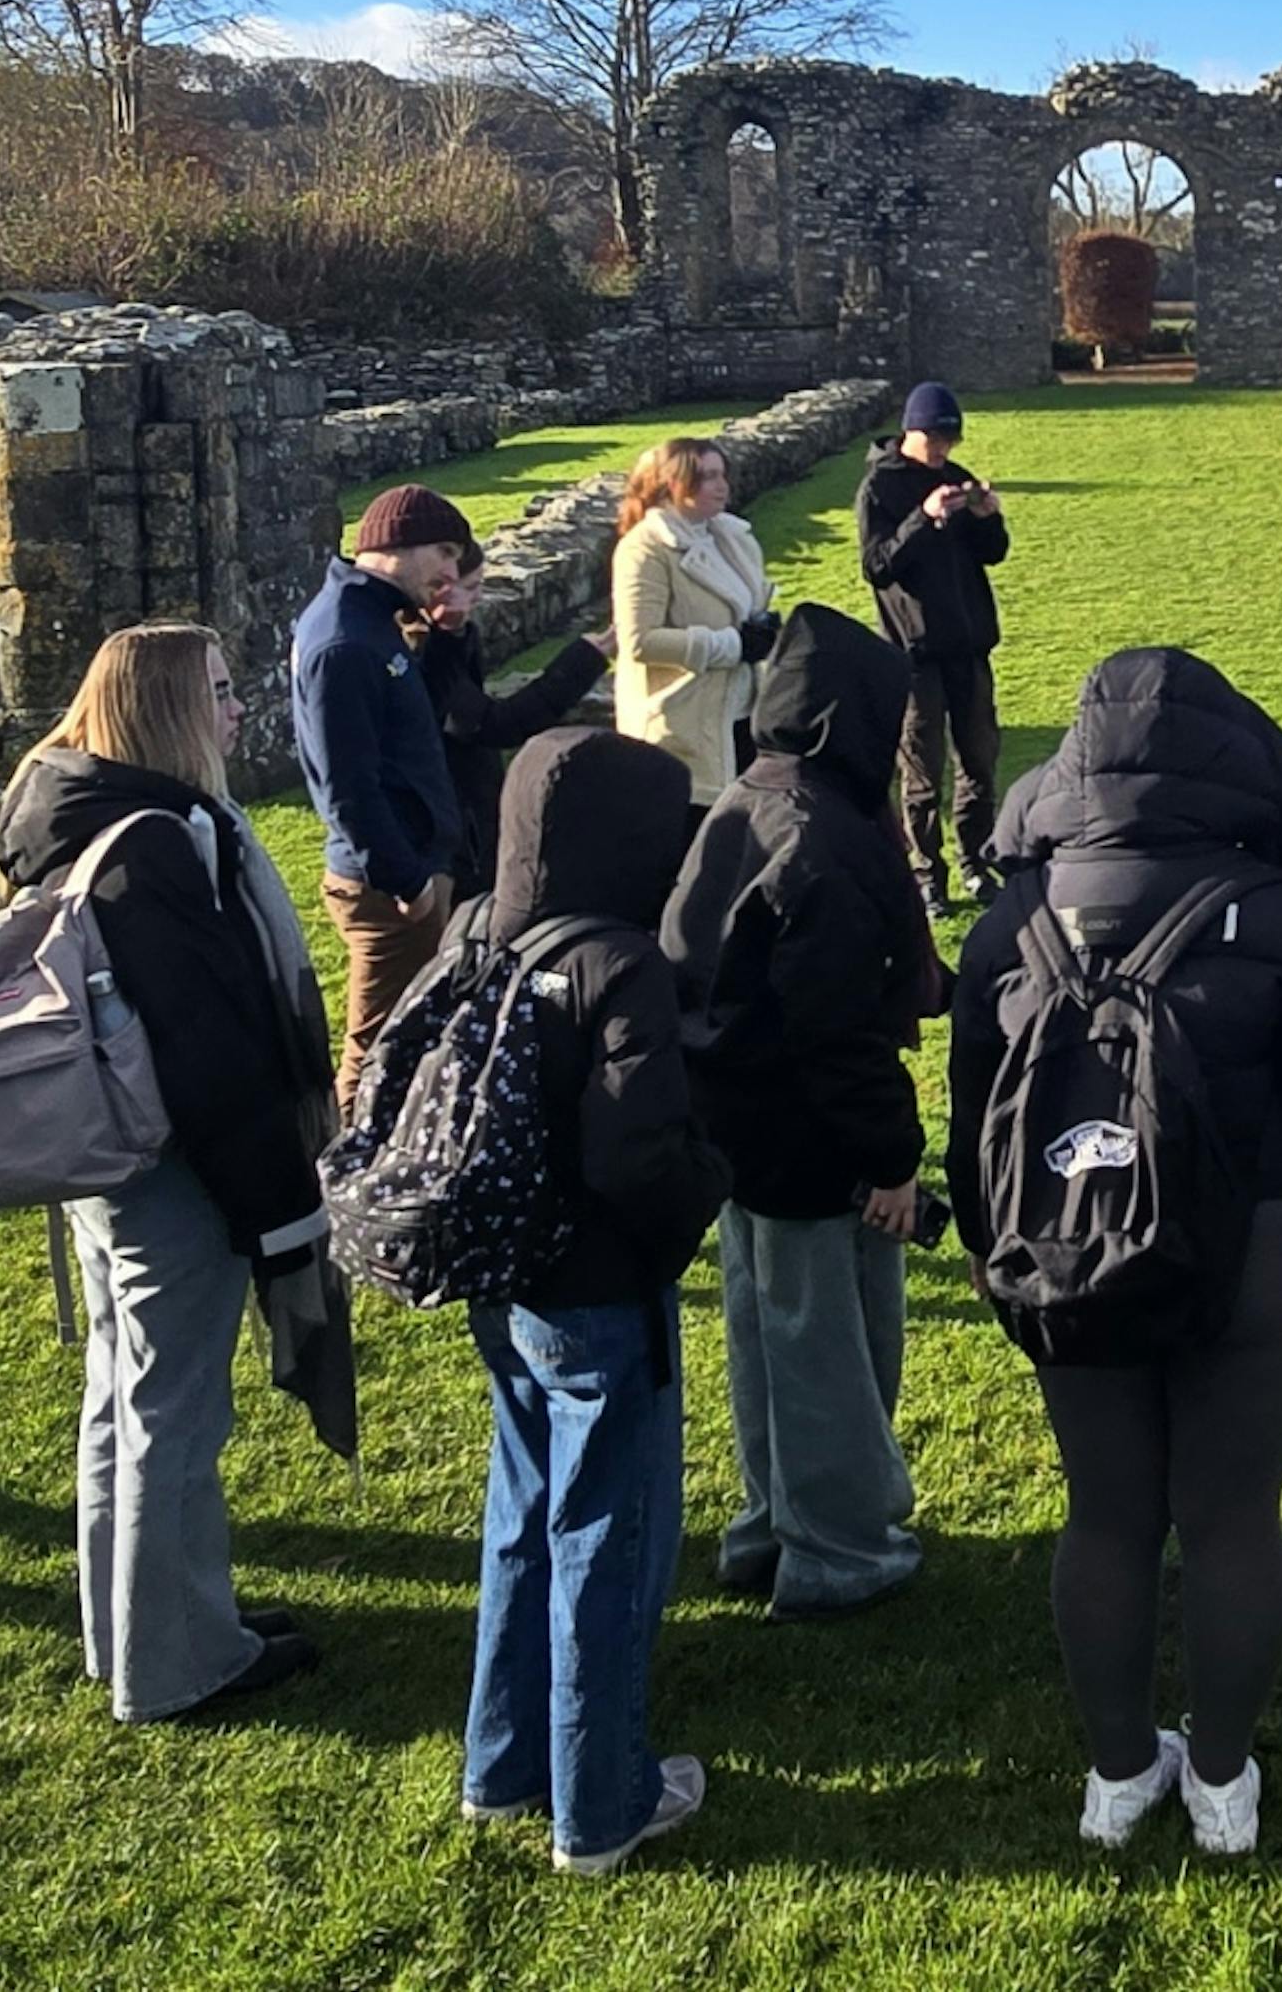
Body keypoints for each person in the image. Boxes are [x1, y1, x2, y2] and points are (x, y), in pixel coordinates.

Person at [957, 647, 1282, 1858]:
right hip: (1255, 1243)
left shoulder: (1011, 916)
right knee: (1230, 1517)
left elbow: (975, 1112)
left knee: (1106, 1514)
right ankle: (1219, 1777)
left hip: (1067, 1234)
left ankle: (1119, 1771)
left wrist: (986, 1243)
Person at [0, 623, 335, 1721]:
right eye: (219, 692)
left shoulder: (60, 801)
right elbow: (207, 1050)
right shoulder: (155, 848)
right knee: (173, 1413)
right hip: (170, 1163)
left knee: (121, 1394)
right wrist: (273, 1202)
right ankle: (177, 1663)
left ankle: (138, 1624)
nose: (237, 710)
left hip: (104, 1150)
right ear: (169, 711)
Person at [458, 728, 736, 1877]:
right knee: (605, 1537)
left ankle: (500, 1761)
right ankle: (602, 1799)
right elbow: (637, 1155)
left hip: (502, 1271)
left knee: (522, 1514)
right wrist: (704, 1185)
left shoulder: (480, 928)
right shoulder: (620, 962)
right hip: (599, 1289)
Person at [659, 602, 941, 1618]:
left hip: (735, 1120)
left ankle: (770, 1523)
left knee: (767, 1331)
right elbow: (836, 1030)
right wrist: (892, 1157)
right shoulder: (822, 837)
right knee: (827, 1346)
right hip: (808, 1130)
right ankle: (837, 1549)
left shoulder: (750, 795)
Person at [296, 483, 474, 1102]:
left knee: (411, 1036)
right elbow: (349, 787)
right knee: (379, 1048)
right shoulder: (346, 640)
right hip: (389, 889)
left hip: (408, 870)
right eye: (445, 553)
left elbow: (413, 725)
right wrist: (409, 883)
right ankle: (348, 1155)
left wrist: (447, 636)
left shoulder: (370, 620)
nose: (451, 572)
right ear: (400, 543)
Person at [854, 381, 1011, 912]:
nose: (944, 450)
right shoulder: (878, 489)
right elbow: (877, 566)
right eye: (936, 440)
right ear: (911, 432)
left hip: (969, 648)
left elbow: (992, 554)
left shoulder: (955, 478)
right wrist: (923, 518)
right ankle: (927, 875)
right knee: (922, 773)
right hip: (914, 655)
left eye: (951, 440)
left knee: (980, 763)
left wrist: (988, 518)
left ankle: (976, 863)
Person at [424, 535, 614, 900]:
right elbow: (495, 724)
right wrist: (586, 658)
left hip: (467, 824)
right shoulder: (424, 652)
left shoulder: (447, 640)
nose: (478, 597)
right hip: (453, 837)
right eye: (471, 587)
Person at [612, 436, 781, 805]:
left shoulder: (731, 537)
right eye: (707, 477)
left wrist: (765, 628)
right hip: (681, 725)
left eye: (723, 474)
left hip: (739, 714)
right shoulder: (645, 548)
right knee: (695, 832)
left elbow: (743, 607)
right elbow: (639, 641)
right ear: (672, 483)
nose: (722, 486)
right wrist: (730, 645)